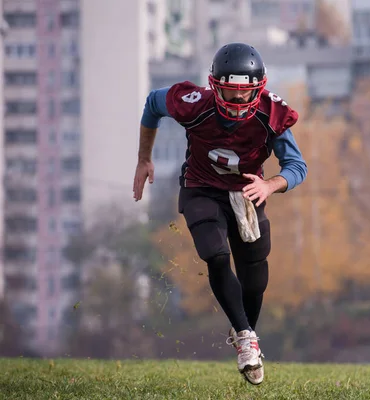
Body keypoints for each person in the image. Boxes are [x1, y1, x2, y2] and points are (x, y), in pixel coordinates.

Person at [132, 42, 307, 385]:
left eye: (245, 93)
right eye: (230, 92)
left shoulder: (271, 114)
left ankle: (247, 336)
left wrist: (270, 185)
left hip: (247, 193)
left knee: (255, 277)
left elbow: (297, 166)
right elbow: (153, 102)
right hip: (201, 188)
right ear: (214, 85)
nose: (239, 101)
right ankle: (245, 338)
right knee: (215, 255)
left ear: (260, 88)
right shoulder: (193, 103)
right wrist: (144, 157)